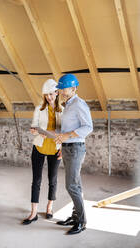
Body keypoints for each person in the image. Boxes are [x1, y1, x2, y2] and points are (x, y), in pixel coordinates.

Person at [54, 74, 93, 235]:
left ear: (73, 88)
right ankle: (75, 215)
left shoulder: (79, 104)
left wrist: (68, 136)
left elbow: (88, 127)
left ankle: (81, 222)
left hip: (76, 148)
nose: (62, 91)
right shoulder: (68, 105)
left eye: (64, 88)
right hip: (68, 148)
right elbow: (64, 131)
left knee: (71, 186)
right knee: (75, 185)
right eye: (60, 89)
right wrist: (52, 134)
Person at [22, 79, 63, 225]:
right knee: (36, 181)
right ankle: (33, 213)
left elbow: (65, 133)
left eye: (51, 94)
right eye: (46, 95)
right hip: (39, 148)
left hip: (55, 150)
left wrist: (62, 149)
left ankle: (49, 207)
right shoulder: (39, 108)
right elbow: (34, 128)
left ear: (57, 93)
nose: (49, 97)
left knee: (52, 180)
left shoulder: (63, 110)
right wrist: (35, 131)